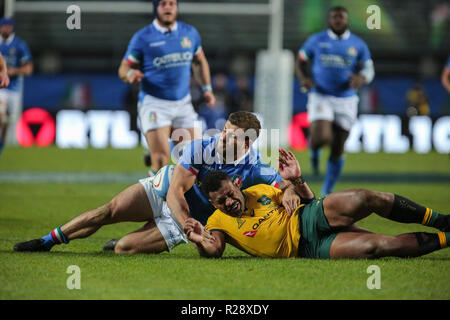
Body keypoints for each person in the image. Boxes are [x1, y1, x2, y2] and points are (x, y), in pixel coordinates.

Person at [13, 112, 300, 254]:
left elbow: (283, 183)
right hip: (166, 194)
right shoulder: (200, 148)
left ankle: (121, 240)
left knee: (123, 248)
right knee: (108, 211)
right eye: (224, 130)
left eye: (232, 136)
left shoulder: (255, 168)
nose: (223, 138)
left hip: (180, 224)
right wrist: (189, 222)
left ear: (247, 142)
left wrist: (289, 189)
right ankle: (47, 240)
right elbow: (176, 189)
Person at [184, 149, 450, 259]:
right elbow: (214, 250)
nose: (229, 202)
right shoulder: (216, 222)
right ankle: (447, 238)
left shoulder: (261, 190)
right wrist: (198, 240)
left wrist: (294, 182)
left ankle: (439, 219)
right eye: (221, 201)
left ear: (237, 184)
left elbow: (308, 199)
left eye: (230, 194)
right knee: (377, 246)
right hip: (308, 248)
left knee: (367, 198)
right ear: (212, 203)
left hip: (310, 216)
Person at [118, 0, 216, 176]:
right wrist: (130, 74)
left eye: (172, 3)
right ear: (156, 8)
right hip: (154, 103)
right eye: (163, 4)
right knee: (161, 161)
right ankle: (154, 201)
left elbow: (200, 61)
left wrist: (207, 89)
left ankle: (186, 201)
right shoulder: (143, 37)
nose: (168, 7)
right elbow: (123, 68)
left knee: (198, 158)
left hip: (183, 103)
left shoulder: (189, 33)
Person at [295, 6, 374, 195]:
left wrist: (361, 79)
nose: (338, 20)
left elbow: (369, 70)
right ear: (329, 20)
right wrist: (304, 79)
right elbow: (300, 61)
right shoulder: (316, 40)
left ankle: (327, 191)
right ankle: (314, 149)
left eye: (341, 17)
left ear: (347, 20)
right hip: (321, 94)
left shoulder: (358, 44)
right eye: (334, 17)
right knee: (322, 136)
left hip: (346, 99)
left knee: (338, 147)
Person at [0, 17, 32, 155]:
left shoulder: (19, 45)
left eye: (8, 26)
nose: (6, 29)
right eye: (3, 26)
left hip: (14, 88)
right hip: (1, 88)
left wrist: (13, 71)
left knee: (7, 119)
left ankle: (2, 143)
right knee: (0, 112)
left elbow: (28, 69)